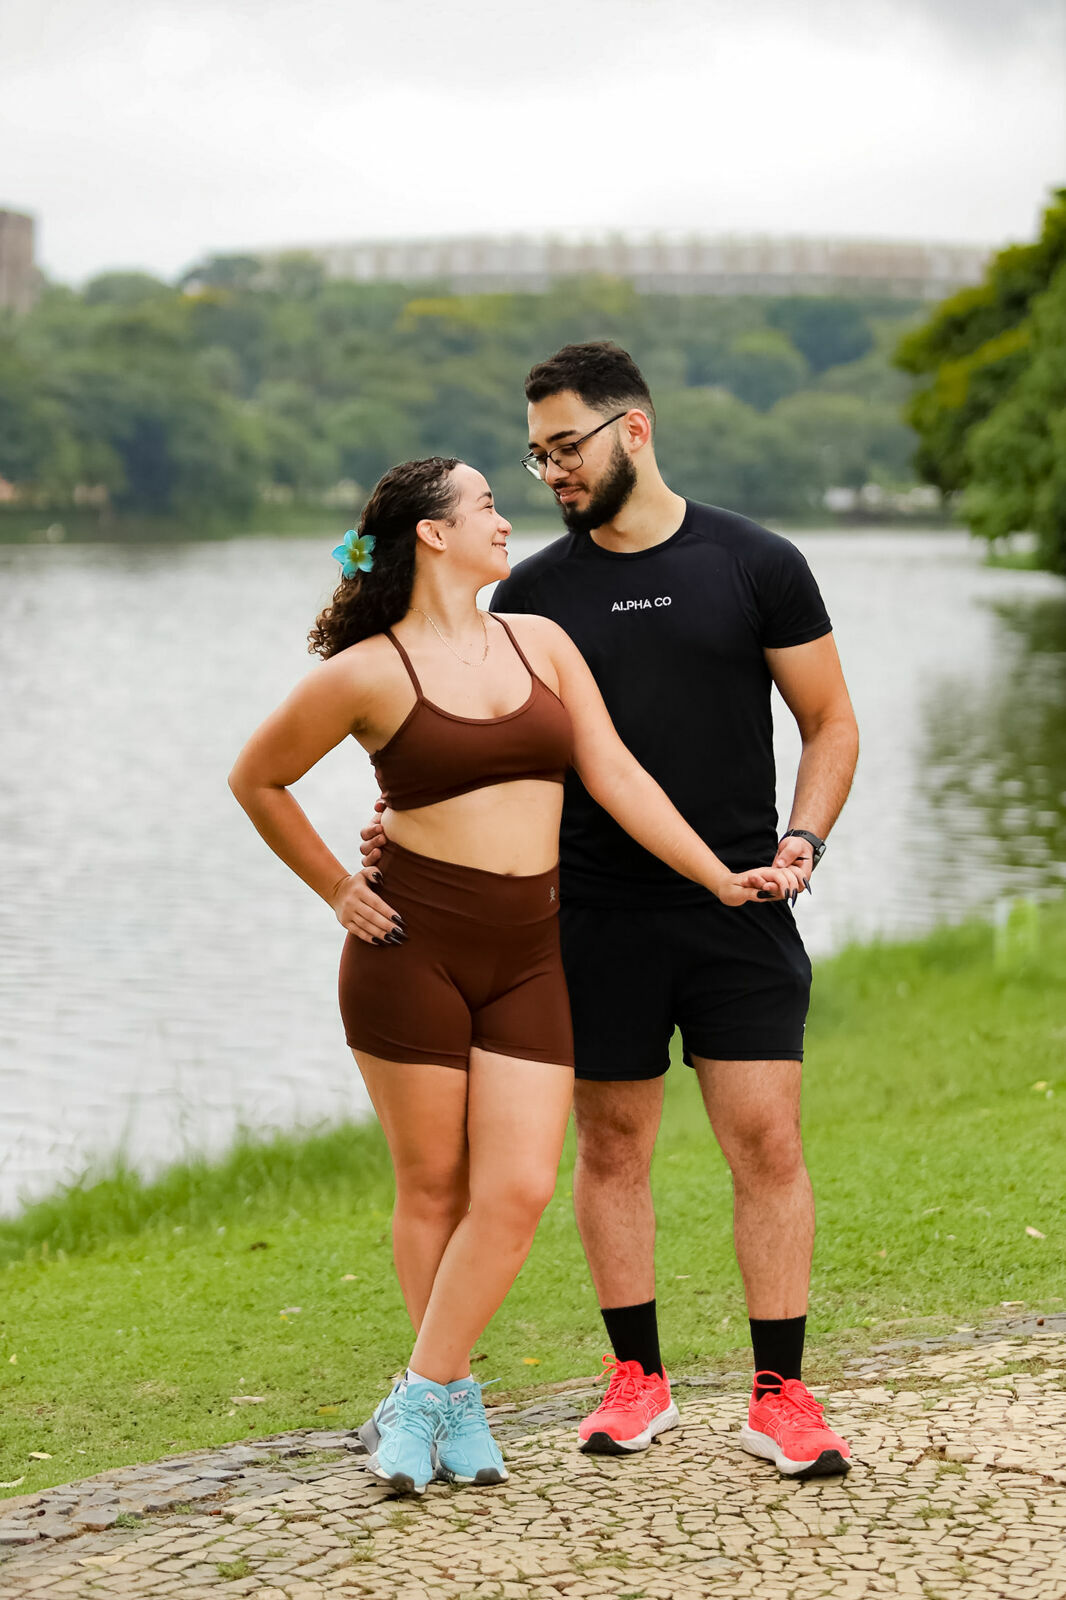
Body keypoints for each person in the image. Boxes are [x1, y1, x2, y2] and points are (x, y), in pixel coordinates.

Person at [228, 454, 807, 1498]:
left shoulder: (540, 640)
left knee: (520, 1186)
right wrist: (337, 889)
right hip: (410, 949)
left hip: (530, 952)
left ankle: (418, 1394)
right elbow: (257, 777)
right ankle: (446, 1401)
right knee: (434, 1186)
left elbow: (614, 772)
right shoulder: (367, 671)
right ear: (433, 534)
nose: (507, 518)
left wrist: (717, 875)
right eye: (487, 504)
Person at [360, 345, 860, 1479]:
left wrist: (804, 837)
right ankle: (637, 1377)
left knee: (767, 1141)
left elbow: (830, 721)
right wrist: (401, 824)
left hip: (740, 902)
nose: (551, 473)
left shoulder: (757, 563)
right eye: (535, 457)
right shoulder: (533, 593)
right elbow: (472, 733)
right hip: (586, 915)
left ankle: (781, 1393)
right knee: (614, 1145)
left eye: (565, 447)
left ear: (634, 428)